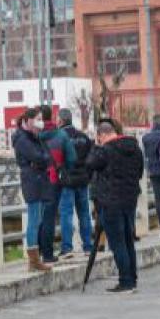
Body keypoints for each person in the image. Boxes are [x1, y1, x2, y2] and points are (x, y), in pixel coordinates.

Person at [87, 120, 144, 293]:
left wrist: (96, 147)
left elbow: (90, 163)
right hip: (130, 199)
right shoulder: (135, 148)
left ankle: (125, 282)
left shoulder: (105, 150)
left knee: (117, 242)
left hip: (110, 201)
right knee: (128, 240)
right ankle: (132, 278)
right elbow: (140, 172)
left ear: (101, 135)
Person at [12, 109, 54, 272]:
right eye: (37, 119)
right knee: (34, 220)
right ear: (28, 121)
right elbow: (38, 157)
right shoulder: (22, 138)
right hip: (32, 182)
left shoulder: (34, 137)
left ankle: (35, 259)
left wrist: (42, 160)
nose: (40, 123)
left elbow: (48, 156)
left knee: (39, 219)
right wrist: (41, 160)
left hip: (39, 180)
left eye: (41, 119)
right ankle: (34, 260)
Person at [37, 107, 75, 264]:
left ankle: (36, 250)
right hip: (54, 179)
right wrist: (63, 168)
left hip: (37, 180)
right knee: (50, 217)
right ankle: (47, 253)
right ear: (52, 117)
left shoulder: (34, 135)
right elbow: (72, 158)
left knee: (37, 216)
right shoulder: (61, 134)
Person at [56, 109, 95, 256]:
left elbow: (56, 159)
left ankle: (67, 247)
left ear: (60, 120)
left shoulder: (59, 137)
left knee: (66, 214)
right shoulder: (83, 137)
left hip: (67, 180)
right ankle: (88, 246)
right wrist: (87, 175)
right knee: (84, 213)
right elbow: (91, 159)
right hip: (82, 180)